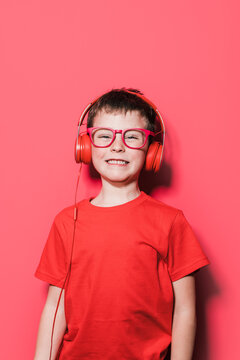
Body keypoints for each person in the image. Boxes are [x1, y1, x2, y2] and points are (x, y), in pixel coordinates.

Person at [34, 88, 210, 360]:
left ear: (151, 151)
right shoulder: (66, 222)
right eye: (104, 136)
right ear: (85, 147)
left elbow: (185, 309)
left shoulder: (171, 221)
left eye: (132, 137)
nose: (118, 146)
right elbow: (54, 309)